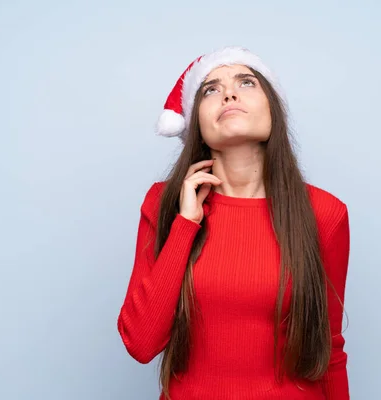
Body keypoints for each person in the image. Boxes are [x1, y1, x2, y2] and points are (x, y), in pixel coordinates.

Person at [117, 46, 351, 400]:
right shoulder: (162, 203)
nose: (228, 92)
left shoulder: (325, 213)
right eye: (210, 89)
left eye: (246, 82)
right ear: (195, 120)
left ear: (273, 109)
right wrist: (185, 225)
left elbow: (329, 349)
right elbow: (141, 343)